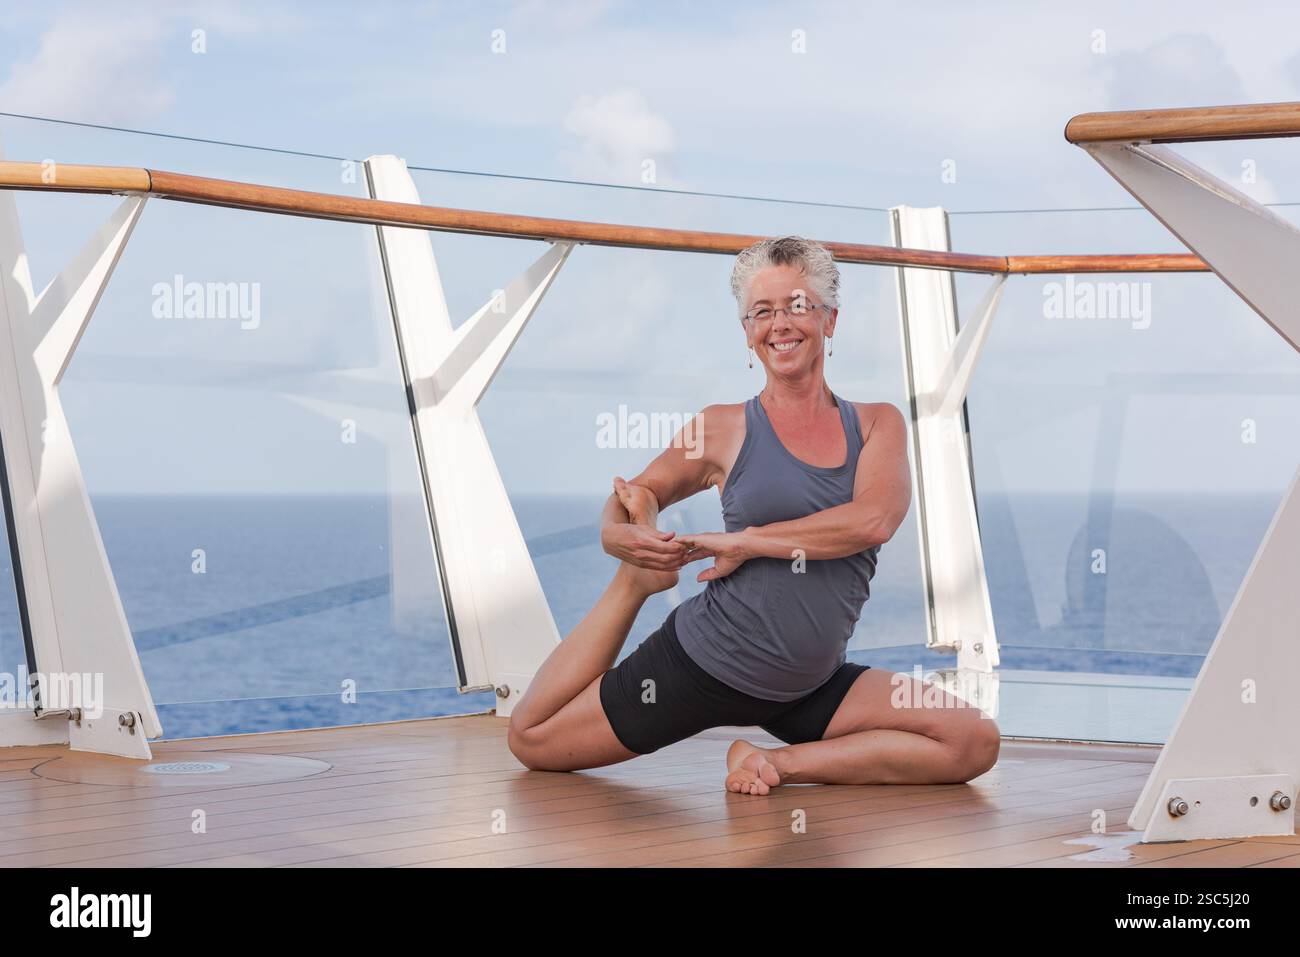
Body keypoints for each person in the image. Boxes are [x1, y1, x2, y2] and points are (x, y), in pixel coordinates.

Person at [507, 236, 1000, 794]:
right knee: (532, 740)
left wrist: (747, 541)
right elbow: (635, 492)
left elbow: (872, 520)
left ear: (829, 321)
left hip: (810, 685)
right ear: (747, 332)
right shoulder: (721, 427)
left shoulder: (875, 424)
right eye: (762, 312)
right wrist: (618, 532)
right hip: (702, 663)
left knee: (974, 740)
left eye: (796, 306)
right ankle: (633, 586)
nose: (779, 323)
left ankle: (771, 762)